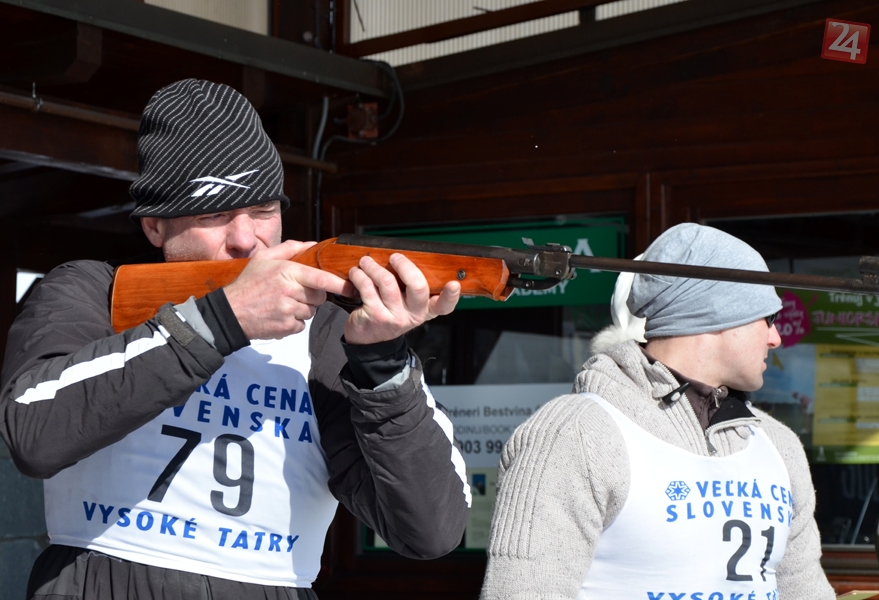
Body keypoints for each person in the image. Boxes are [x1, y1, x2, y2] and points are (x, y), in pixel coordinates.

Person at [0, 79, 471, 600]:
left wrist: (382, 364)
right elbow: (33, 431)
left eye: (264, 210)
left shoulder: (327, 334)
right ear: (154, 227)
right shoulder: (92, 292)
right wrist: (223, 320)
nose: (247, 239)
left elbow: (432, 529)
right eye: (214, 215)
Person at [480, 223, 835, 599]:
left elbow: (806, 591)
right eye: (768, 318)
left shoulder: (778, 445)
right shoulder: (576, 434)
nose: (776, 338)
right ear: (717, 314)